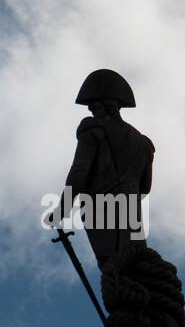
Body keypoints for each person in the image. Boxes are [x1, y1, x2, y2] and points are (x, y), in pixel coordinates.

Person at [48, 69, 155, 267]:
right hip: (132, 216)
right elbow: (144, 188)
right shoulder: (143, 143)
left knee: (114, 270)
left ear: (100, 104)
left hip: (100, 210)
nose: (90, 110)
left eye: (92, 106)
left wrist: (63, 208)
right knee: (138, 268)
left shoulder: (92, 129)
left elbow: (79, 172)